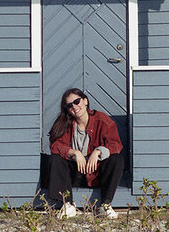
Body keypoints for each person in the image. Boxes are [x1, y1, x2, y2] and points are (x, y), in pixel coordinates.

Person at [48, 88, 124, 219]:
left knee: (117, 159)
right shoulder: (64, 123)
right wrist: (74, 152)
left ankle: (105, 205)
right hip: (74, 174)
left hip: (96, 173)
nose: (74, 107)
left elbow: (115, 144)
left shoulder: (102, 120)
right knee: (55, 158)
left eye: (77, 101)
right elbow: (55, 145)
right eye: (69, 105)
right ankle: (67, 204)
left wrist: (98, 151)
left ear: (85, 101)